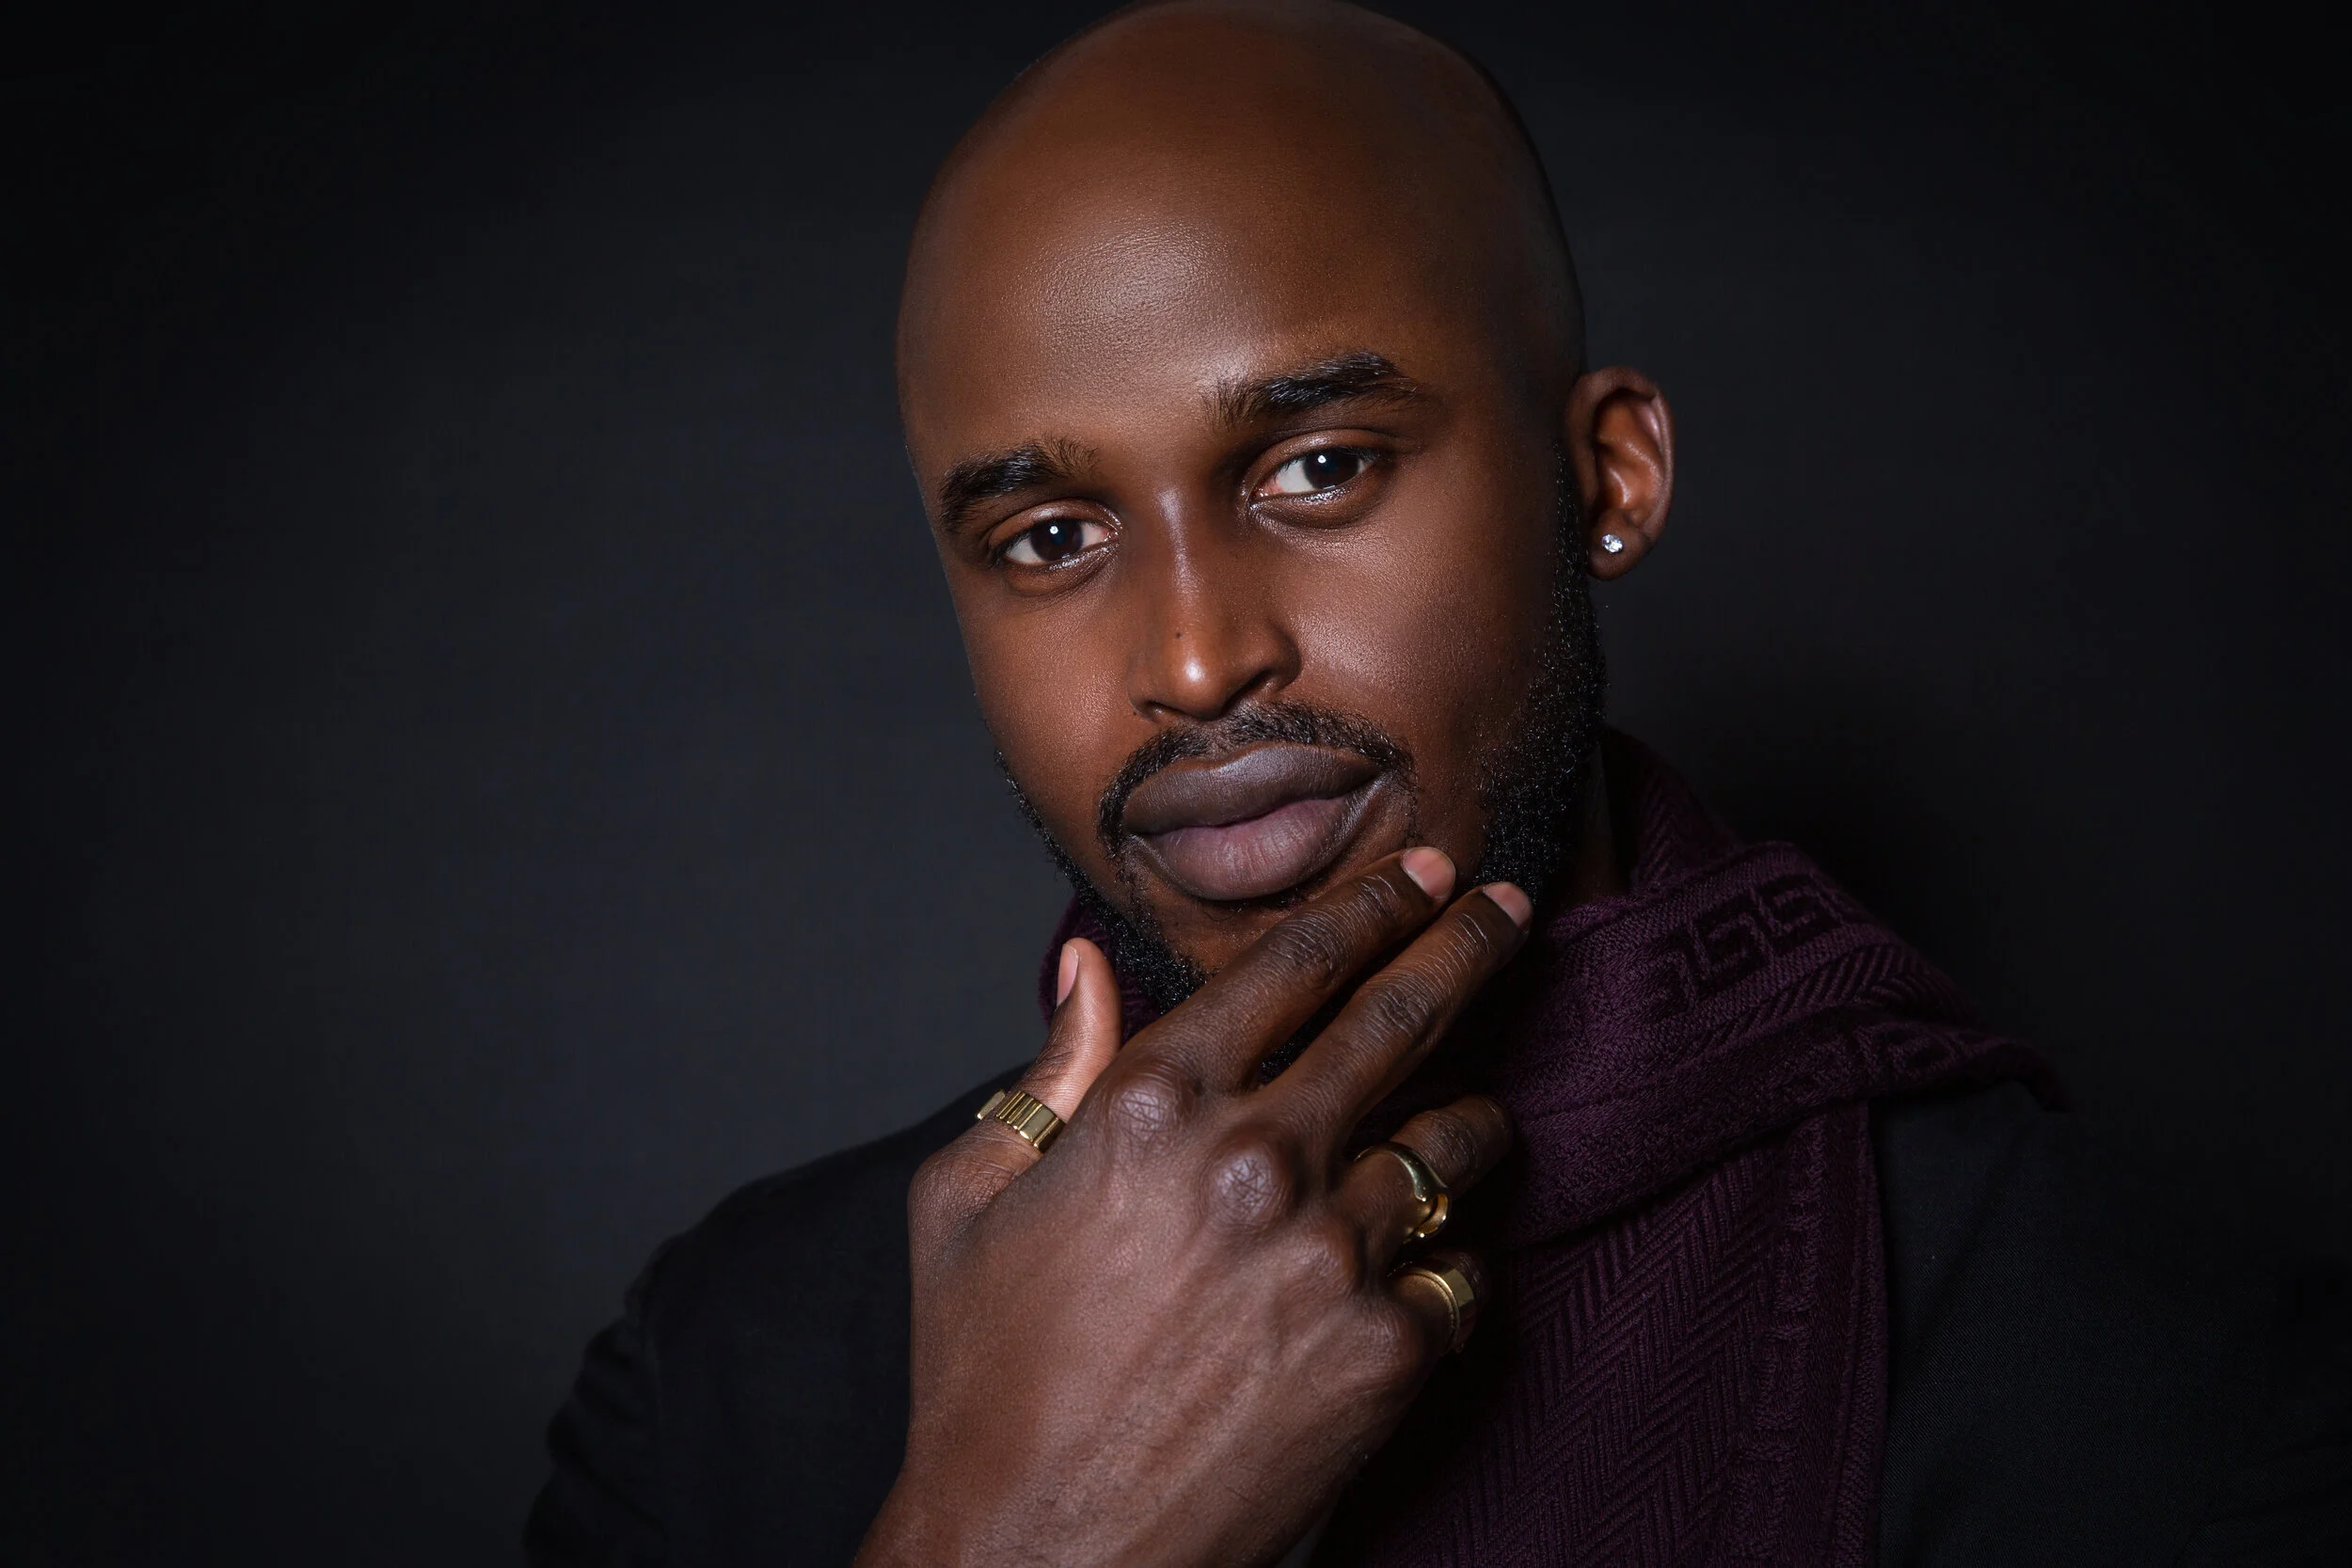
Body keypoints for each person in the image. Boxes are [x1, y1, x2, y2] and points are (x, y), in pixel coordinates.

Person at [527, 3, 2352, 1563]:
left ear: (1605, 477)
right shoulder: (723, 1375)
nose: (1190, 655)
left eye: (1316, 466)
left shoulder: (2138, 1374)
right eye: (1054, 530)